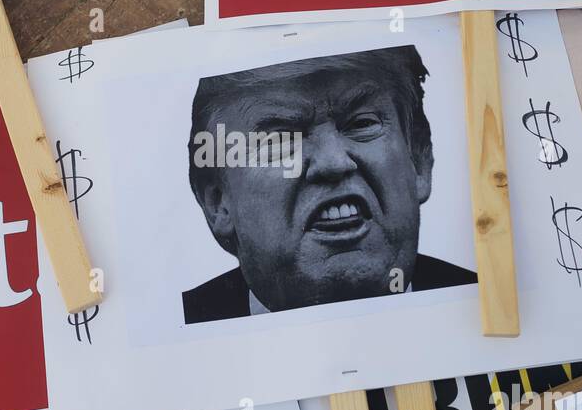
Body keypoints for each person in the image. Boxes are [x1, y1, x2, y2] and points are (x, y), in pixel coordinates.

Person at [182, 46, 474, 323]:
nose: (334, 162)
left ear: (418, 161)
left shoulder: (486, 302)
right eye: (280, 140)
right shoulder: (175, 331)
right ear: (217, 202)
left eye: (362, 123)